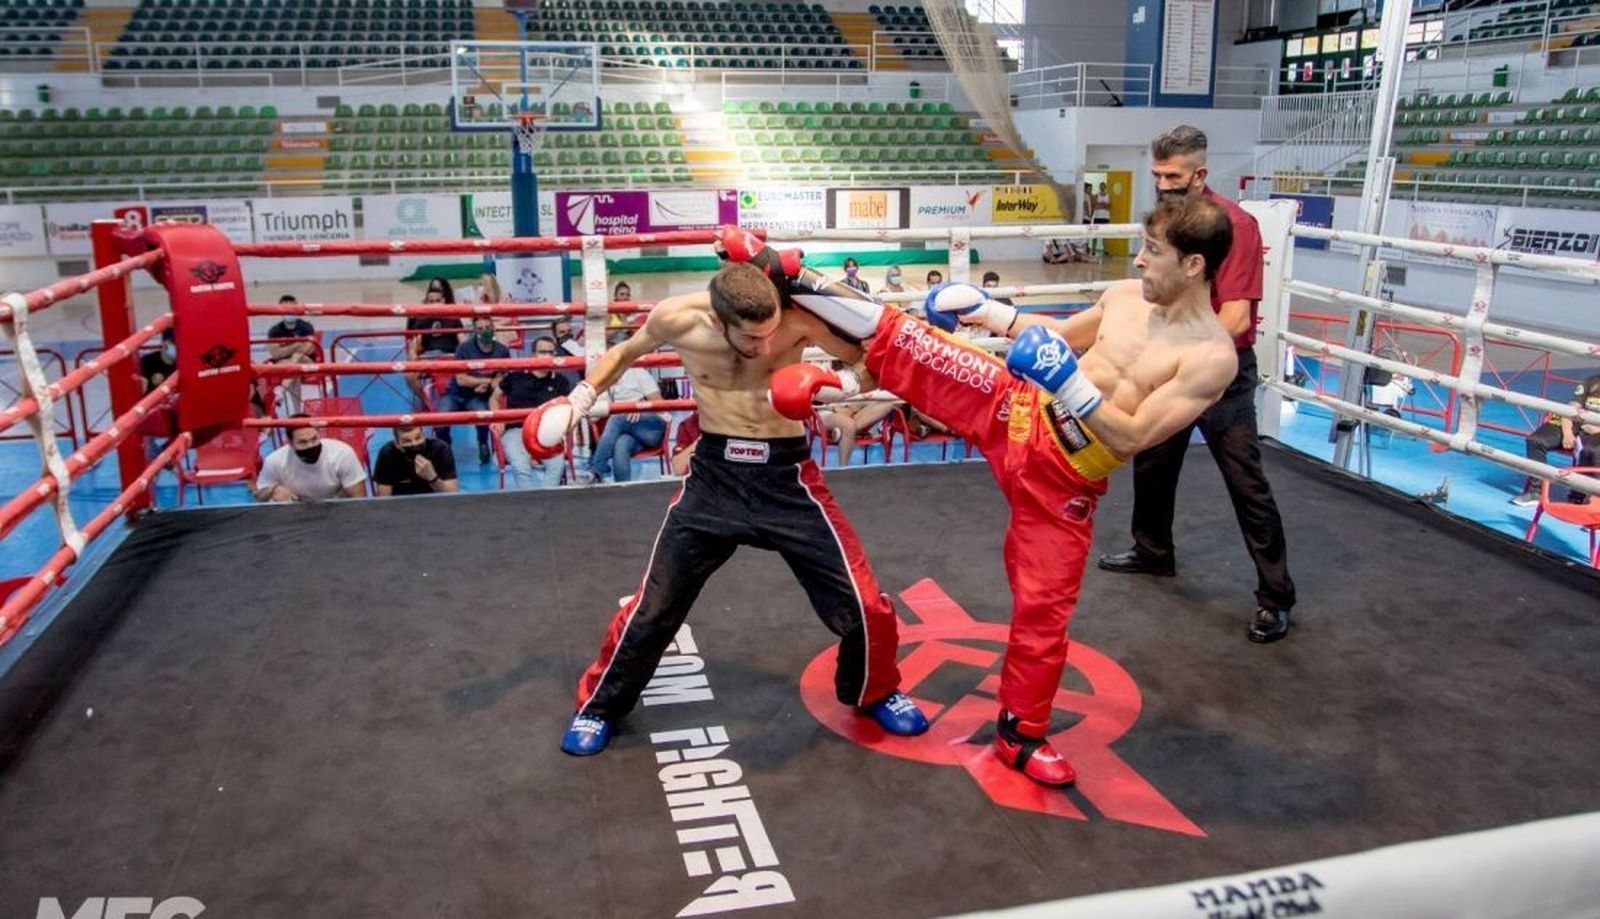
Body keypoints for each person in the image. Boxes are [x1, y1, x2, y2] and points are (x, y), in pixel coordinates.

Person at [736, 196, 1239, 787]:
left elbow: (1132, 435)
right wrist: (991, 314)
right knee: (917, 344)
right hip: (1020, 410)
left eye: (1153, 252)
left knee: (1043, 611)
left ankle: (1020, 734)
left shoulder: (1211, 358)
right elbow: (1052, 335)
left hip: (1068, 476)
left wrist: (1070, 382)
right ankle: (792, 273)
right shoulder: (1125, 299)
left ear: (1194, 266)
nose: (1138, 263)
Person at [523, 260, 930, 756]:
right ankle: (600, 706)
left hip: (787, 479)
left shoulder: (796, 318)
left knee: (864, 605)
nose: (765, 348)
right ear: (719, 323)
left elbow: (871, 362)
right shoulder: (678, 319)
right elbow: (625, 354)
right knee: (654, 607)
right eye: (752, 339)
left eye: (770, 336)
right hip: (714, 479)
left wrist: (836, 387)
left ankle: (876, 690)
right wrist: (579, 400)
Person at [1096, 125, 1297, 645]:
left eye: (1174, 176)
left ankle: (1275, 597)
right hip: (1169, 362)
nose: (1163, 185)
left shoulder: (1234, 227)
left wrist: (1184, 355)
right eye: (1157, 174)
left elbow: (1233, 319)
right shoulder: (1166, 224)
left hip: (1218, 369)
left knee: (1245, 479)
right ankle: (1152, 550)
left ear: (1200, 174)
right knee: (1152, 457)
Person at [492, 335, 573, 489]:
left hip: (546, 433)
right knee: (520, 466)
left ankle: (545, 501)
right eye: (543, 352)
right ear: (533, 355)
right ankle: (530, 503)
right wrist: (497, 418)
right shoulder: (515, 376)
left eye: (551, 352)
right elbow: (494, 397)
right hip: (516, 430)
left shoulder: (561, 381)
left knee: (557, 465)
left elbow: (568, 410)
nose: (547, 356)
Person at [1512, 372, 1600, 505]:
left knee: (1591, 450)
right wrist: (1567, 432)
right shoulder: (1592, 381)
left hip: (1595, 431)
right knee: (1536, 441)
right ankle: (1536, 491)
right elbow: (1570, 408)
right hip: (1577, 423)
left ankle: (1588, 498)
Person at [437, 316, 511, 464]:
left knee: (483, 419)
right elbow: (461, 380)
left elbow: (500, 378)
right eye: (480, 329)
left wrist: (490, 383)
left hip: (479, 396)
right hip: (455, 394)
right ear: (474, 331)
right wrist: (487, 381)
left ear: (493, 328)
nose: (485, 331)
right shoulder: (464, 348)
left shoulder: (502, 350)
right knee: (440, 422)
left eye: (488, 328)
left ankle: (483, 443)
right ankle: (444, 448)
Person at [583, 364, 667, 484]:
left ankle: (597, 467)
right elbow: (594, 417)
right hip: (629, 431)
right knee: (621, 443)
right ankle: (622, 489)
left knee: (617, 418)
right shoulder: (607, 378)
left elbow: (661, 407)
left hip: (652, 428)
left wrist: (639, 408)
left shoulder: (638, 372)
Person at [254, 415, 367, 503]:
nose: (310, 445)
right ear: (289, 442)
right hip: (297, 514)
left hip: (338, 511)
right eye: (302, 442)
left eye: (314, 439)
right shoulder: (274, 461)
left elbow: (360, 499)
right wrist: (273, 490)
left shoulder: (342, 454)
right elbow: (259, 495)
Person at [405, 277, 465, 411]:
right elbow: (415, 343)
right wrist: (412, 354)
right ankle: (426, 401)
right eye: (431, 301)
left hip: (450, 358)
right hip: (429, 358)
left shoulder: (453, 318)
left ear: (444, 300)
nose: (435, 304)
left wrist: (463, 356)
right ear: (427, 303)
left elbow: (463, 341)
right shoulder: (421, 320)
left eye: (438, 301)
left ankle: (459, 400)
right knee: (409, 376)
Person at [265, 296, 317, 415]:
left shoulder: (306, 326)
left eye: (291, 308)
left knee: (297, 360)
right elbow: (276, 353)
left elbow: (310, 349)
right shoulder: (274, 331)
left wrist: (290, 351)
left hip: (307, 361)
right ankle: (297, 412)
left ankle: (282, 390)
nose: (289, 312)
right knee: (295, 371)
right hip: (284, 363)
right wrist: (297, 345)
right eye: (285, 308)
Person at [373, 425, 458, 496]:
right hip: (400, 507)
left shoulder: (440, 449)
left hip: (436, 505)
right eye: (407, 441)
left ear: (424, 435)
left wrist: (432, 477)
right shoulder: (388, 453)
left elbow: (451, 497)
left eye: (418, 438)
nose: (414, 444)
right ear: (397, 444)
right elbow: (384, 500)